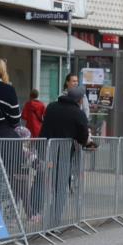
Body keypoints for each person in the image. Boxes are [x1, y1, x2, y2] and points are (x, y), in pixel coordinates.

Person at [30, 86, 93, 226]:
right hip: (63, 155)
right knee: (60, 188)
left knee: (41, 181)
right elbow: (83, 135)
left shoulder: (52, 107)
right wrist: (85, 142)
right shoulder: (78, 113)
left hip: (44, 150)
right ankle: (54, 221)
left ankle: (34, 212)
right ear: (80, 99)